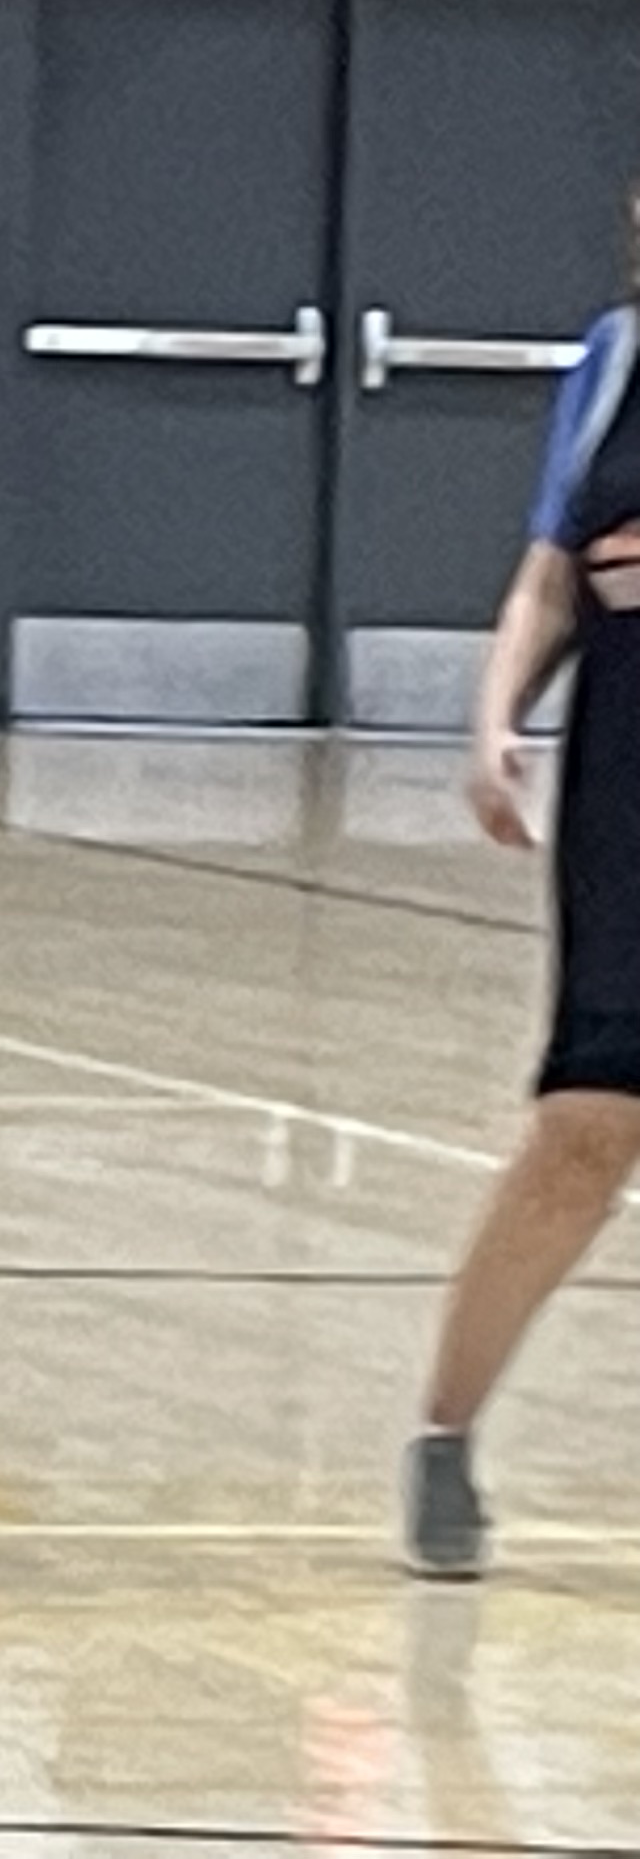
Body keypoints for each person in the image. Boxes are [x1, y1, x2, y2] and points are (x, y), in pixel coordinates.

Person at [405, 200, 640, 1579]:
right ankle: (446, 1434)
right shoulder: (617, 360)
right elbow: (553, 574)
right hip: (628, 778)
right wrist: (496, 717)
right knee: (586, 1127)